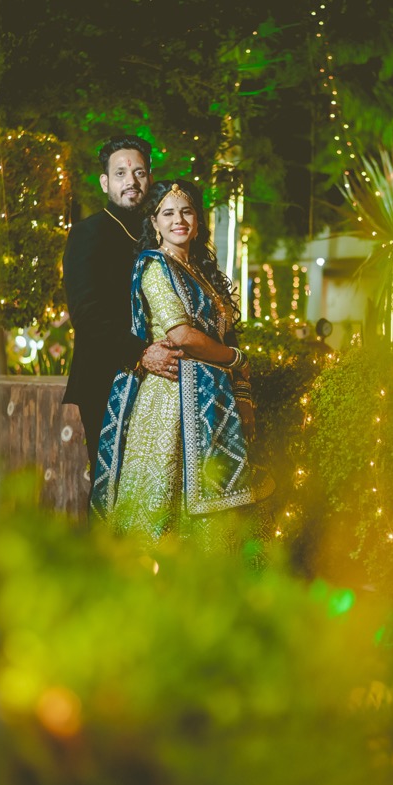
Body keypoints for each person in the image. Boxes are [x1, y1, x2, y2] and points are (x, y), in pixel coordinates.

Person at [91, 178, 274, 543]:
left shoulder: (202, 274)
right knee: (163, 504)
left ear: (198, 221)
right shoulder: (155, 267)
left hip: (212, 401)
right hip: (170, 399)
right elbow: (181, 336)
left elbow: (223, 336)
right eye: (168, 213)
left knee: (217, 505)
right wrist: (238, 360)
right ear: (155, 223)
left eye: (186, 211)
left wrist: (242, 392)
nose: (179, 220)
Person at [62, 135, 182, 486]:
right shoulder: (88, 233)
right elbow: (85, 313)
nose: (131, 181)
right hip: (107, 375)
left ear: (150, 178)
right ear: (105, 183)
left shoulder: (160, 233)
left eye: (139, 173)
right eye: (120, 173)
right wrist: (141, 353)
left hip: (160, 378)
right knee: (111, 485)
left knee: (154, 485)